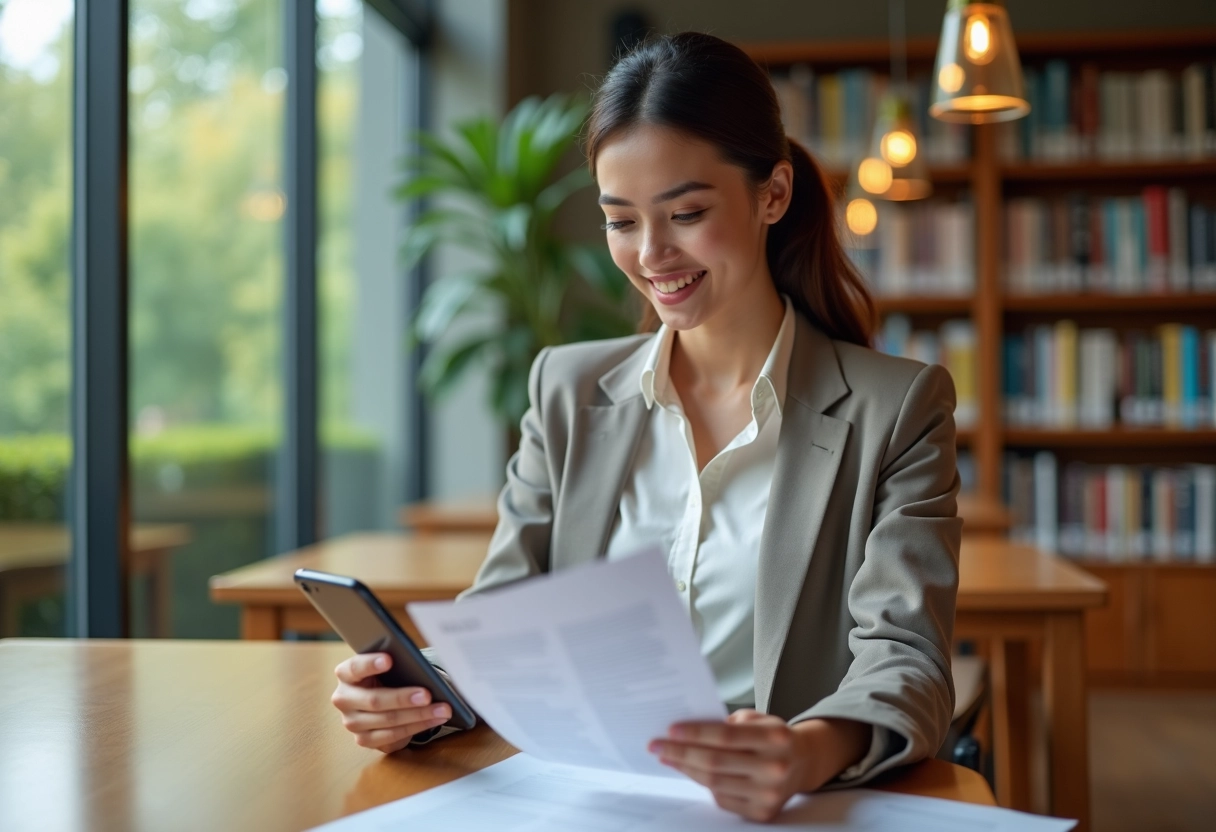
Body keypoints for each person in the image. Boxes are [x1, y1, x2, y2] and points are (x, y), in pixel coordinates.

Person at [330, 31, 961, 824]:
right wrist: (415, 698)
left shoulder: (897, 408)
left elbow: (908, 659)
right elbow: (503, 618)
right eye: (620, 220)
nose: (652, 253)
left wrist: (807, 749)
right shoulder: (565, 389)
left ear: (774, 194)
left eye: (687, 213)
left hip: (781, 808)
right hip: (581, 798)